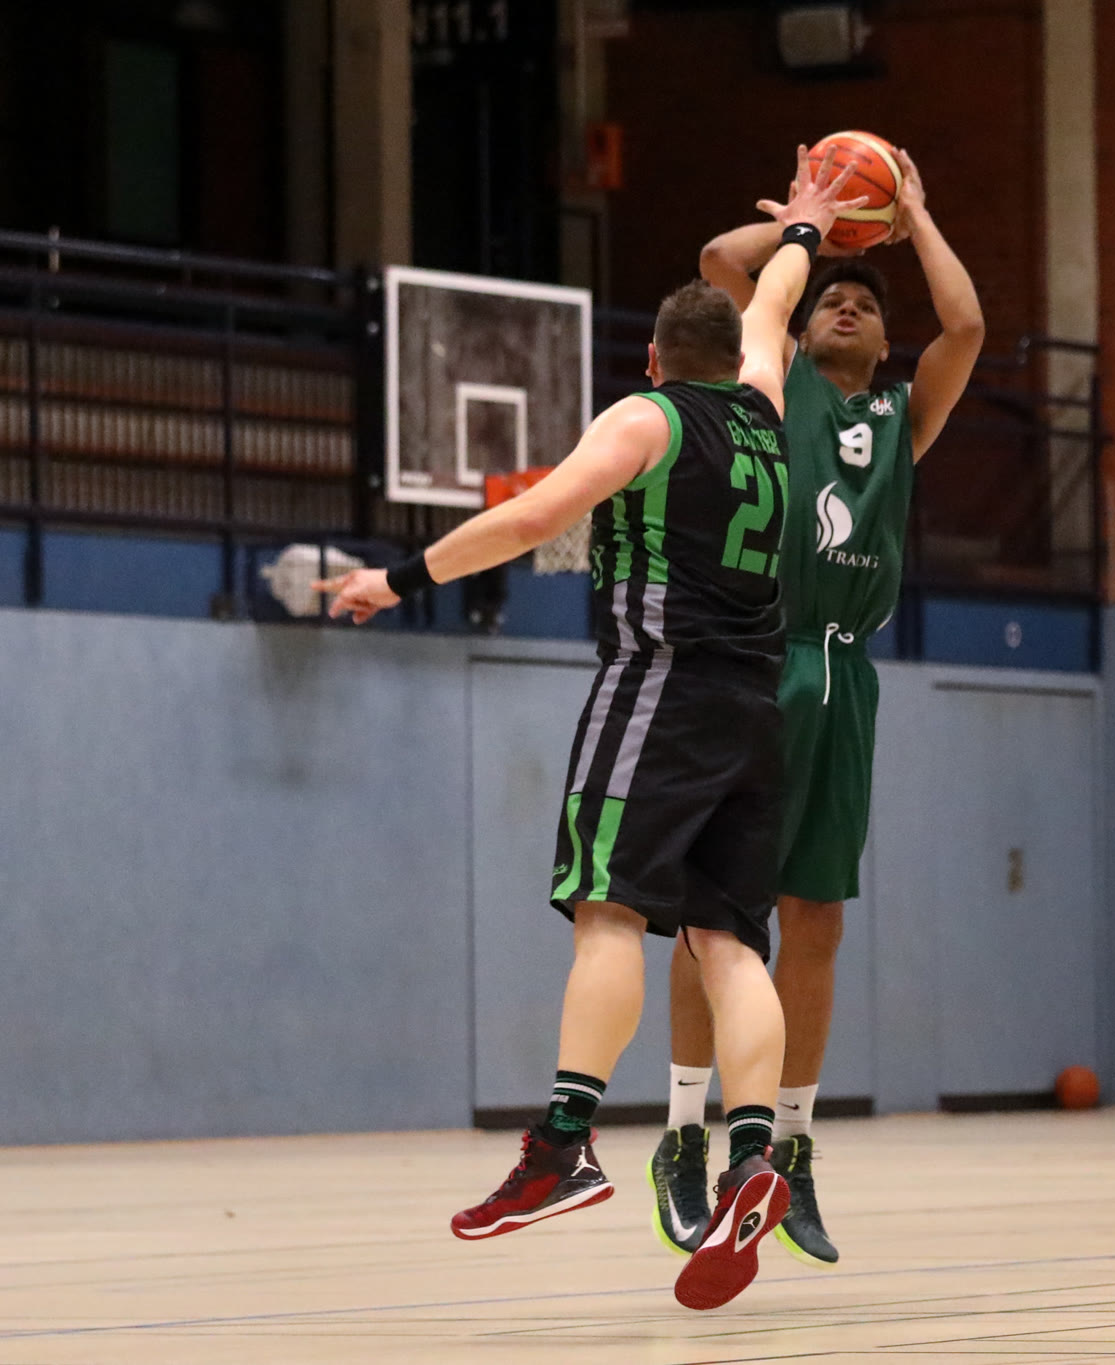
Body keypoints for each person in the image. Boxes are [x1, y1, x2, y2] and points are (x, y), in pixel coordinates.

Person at [319, 151, 858, 1312]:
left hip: (657, 688)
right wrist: (806, 229)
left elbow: (535, 517)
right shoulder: (766, 406)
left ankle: (564, 1145)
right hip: (755, 708)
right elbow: (772, 307)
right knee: (728, 943)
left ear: (653, 360)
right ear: (736, 354)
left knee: (608, 912)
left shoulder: (645, 417)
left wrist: (396, 578)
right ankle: (753, 1157)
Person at [647, 146, 985, 1267]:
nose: (846, 305)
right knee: (714, 921)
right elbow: (718, 259)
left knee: (818, 921)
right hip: (759, 657)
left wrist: (913, 218)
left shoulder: (901, 417)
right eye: (830, 298)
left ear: (883, 344)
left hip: (846, 676)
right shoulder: (773, 380)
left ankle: (789, 1151)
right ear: (798, 327)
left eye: (865, 305)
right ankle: (684, 1133)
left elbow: (967, 324)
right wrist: (813, 222)